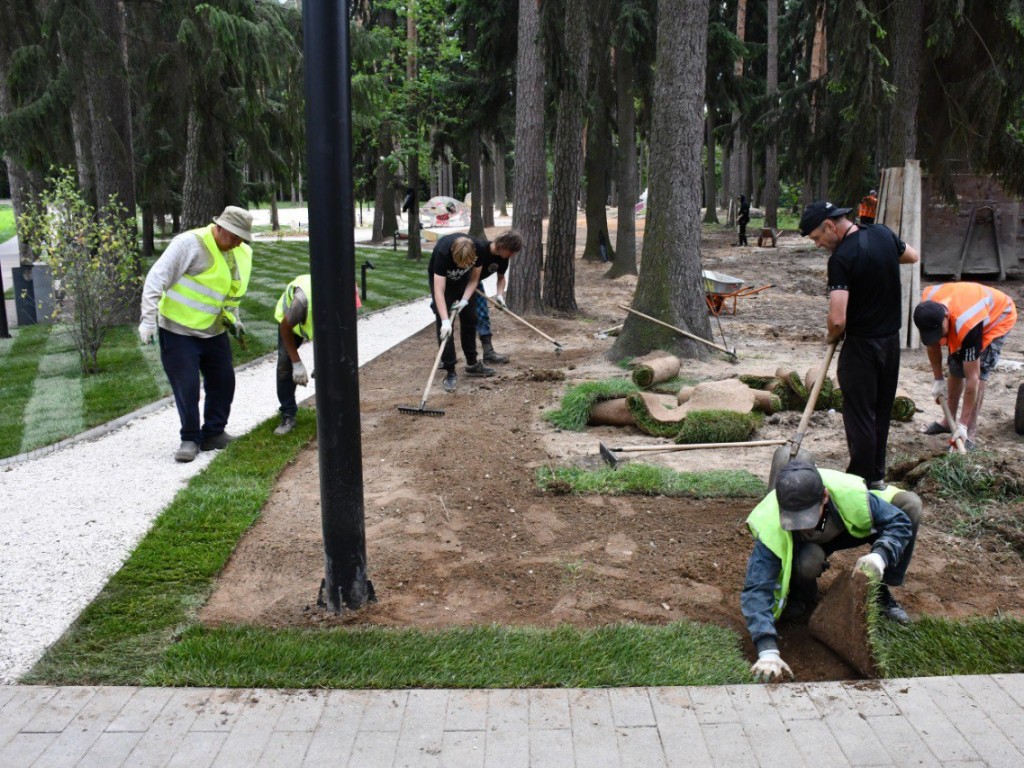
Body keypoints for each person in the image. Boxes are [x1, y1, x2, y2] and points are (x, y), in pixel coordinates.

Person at [742, 459, 922, 683]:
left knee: (910, 504)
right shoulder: (772, 521)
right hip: (808, 550)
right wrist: (767, 650)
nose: (802, 526)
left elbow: (899, 522)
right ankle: (801, 593)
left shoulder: (851, 496)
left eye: (807, 517)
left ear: (824, 497)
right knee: (808, 562)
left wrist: (881, 556)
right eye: (794, 520)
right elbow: (756, 589)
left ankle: (881, 592)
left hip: (845, 526)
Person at [799, 200, 920, 490]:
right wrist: (882, 262)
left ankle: (859, 480)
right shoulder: (882, 234)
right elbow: (912, 256)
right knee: (881, 410)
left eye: (817, 238)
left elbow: (838, 319)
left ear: (830, 225)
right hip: (891, 344)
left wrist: (831, 334)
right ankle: (876, 476)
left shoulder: (841, 259)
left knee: (860, 416)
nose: (818, 245)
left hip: (862, 346)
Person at [139, 206, 253, 462]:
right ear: (220, 227)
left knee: (224, 380)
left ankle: (213, 433)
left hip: (213, 329)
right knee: (187, 386)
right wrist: (147, 320)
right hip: (178, 329)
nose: (236, 243)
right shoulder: (189, 244)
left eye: (241, 239)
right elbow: (156, 279)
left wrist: (235, 319)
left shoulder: (240, 253)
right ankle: (190, 438)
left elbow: (231, 290)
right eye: (233, 236)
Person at [913, 282, 1017, 451]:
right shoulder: (928, 308)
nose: (937, 336)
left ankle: (969, 431)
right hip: (964, 310)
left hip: (997, 318)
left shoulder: (967, 325)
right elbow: (933, 345)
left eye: (939, 331)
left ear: (946, 316)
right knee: (955, 362)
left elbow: (972, 380)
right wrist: (938, 379)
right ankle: (949, 421)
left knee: (979, 369)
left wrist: (962, 425)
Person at [428, 233, 493, 392]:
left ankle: (472, 363)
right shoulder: (442, 254)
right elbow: (439, 291)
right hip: (444, 285)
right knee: (444, 327)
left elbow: (474, 278)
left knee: (471, 318)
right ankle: (450, 371)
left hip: (465, 283)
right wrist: (444, 320)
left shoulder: (479, 250)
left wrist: (465, 300)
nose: (463, 267)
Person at [472, 230, 523, 365]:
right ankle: (446, 357)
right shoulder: (480, 249)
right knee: (449, 317)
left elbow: (501, 278)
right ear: (502, 245)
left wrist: (500, 296)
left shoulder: (503, 259)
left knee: (482, 314)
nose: (512, 255)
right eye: (511, 251)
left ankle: (488, 352)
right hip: (458, 282)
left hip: (476, 284)